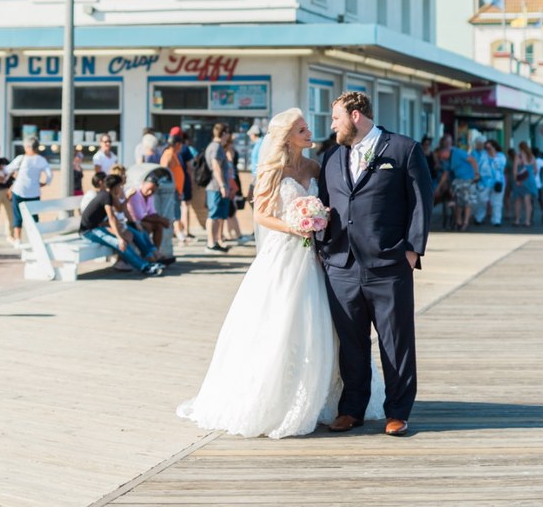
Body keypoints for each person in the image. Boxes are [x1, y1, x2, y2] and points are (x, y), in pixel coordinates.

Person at [177, 107, 385, 438]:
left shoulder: (317, 166)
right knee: (283, 320)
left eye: (307, 128)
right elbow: (261, 216)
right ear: (287, 137)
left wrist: (319, 221)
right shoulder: (272, 171)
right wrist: (296, 225)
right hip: (284, 256)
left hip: (317, 258)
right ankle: (277, 398)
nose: (309, 132)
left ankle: (325, 397)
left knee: (324, 323)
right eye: (302, 129)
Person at [319, 91, 433, 437]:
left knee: (395, 341)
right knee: (351, 342)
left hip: (389, 263)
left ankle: (397, 411)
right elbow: (325, 205)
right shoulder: (331, 156)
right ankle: (352, 409)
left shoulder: (403, 149)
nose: (332, 124)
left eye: (336, 117)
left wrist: (412, 250)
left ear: (356, 115)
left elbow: (421, 201)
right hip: (341, 264)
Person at [80, 174, 164, 275]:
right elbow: (111, 218)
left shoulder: (109, 195)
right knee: (119, 243)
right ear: (115, 187)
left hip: (98, 228)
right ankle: (144, 267)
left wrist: (127, 197)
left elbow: (120, 209)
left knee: (131, 236)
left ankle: (147, 263)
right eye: (120, 186)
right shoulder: (106, 196)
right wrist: (120, 238)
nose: (121, 188)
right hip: (89, 231)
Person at [4, 137, 53, 247]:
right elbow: (50, 174)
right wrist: (45, 183)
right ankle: (34, 240)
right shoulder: (41, 160)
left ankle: (18, 240)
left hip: (19, 190)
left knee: (17, 216)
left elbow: (7, 169)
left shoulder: (21, 158)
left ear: (27, 147)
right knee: (34, 217)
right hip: (34, 192)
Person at [436, 143, 480, 231]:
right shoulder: (447, 161)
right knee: (457, 202)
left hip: (468, 179)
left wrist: (477, 174)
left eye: (441, 156)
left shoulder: (458, 153)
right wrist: (438, 187)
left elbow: (472, 159)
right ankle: (458, 223)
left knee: (468, 202)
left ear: (445, 152)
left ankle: (465, 223)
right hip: (458, 180)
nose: (441, 158)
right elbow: (445, 174)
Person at [205, 123, 231, 254]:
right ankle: (210, 244)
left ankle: (216, 241)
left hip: (218, 186)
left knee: (219, 215)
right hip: (215, 187)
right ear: (224, 133)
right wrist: (222, 185)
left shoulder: (217, 146)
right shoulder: (216, 147)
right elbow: (216, 167)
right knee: (213, 215)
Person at [223, 134, 252, 245]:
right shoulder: (228, 152)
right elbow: (230, 167)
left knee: (230, 210)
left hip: (231, 182)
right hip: (231, 183)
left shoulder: (229, 151)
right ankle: (234, 234)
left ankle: (228, 233)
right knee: (231, 210)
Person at [127, 178, 171, 250]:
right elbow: (139, 216)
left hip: (138, 221)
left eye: (153, 191)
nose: (150, 192)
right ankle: (145, 253)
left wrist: (162, 220)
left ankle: (156, 252)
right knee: (147, 226)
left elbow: (152, 212)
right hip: (130, 221)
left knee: (158, 225)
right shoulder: (135, 193)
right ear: (144, 183)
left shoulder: (149, 195)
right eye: (148, 189)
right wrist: (160, 220)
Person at [160, 135, 188, 243]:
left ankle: (179, 234)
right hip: (172, 190)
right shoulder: (169, 155)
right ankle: (180, 235)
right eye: (181, 144)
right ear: (177, 144)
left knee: (177, 212)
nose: (182, 147)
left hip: (176, 190)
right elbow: (164, 171)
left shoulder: (173, 154)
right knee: (176, 213)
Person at [473, 139, 506, 226]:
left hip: (498, 182)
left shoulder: (500, 156)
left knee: (497, 202)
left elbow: (500, 166)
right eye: (486, 147)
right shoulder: (482, 155)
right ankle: (479, 217)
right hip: (484, 182)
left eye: (489, 147)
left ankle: (497, 220)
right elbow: (478, 166)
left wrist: (493, 155)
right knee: (481, 200)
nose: (488, 149)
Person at [512, 141, 538, 227]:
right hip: (530, 180)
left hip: (520, 180)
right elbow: (536, 170)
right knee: (528, 202)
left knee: (518, 200)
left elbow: (515, 170)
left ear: (520, 148)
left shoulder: (518, 156)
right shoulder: (532, 156)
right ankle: (527, 220)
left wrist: (516, 180)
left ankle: (517, 219)